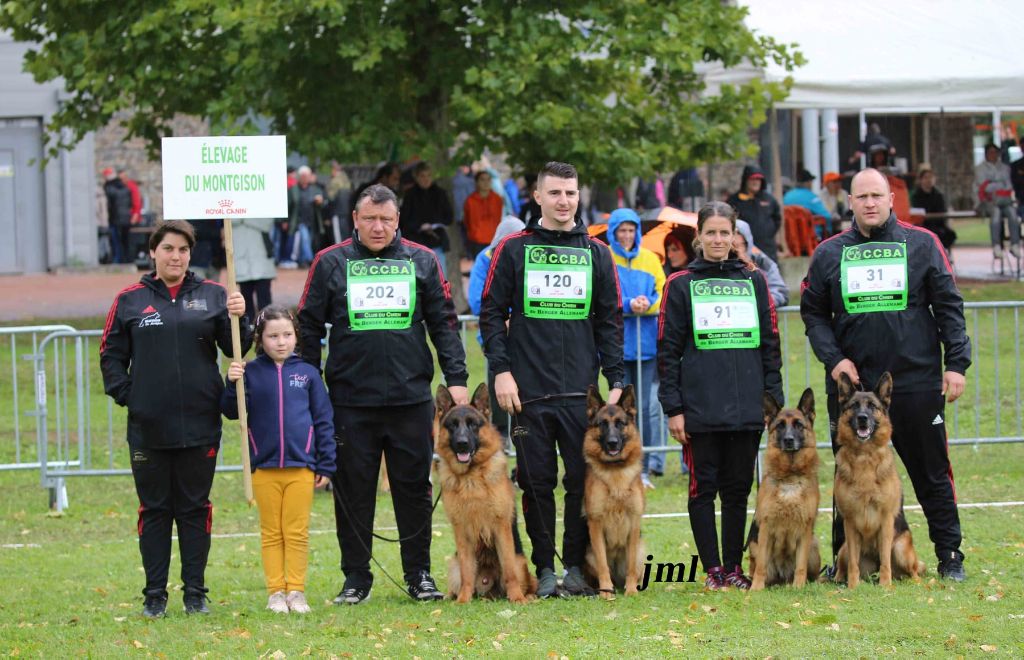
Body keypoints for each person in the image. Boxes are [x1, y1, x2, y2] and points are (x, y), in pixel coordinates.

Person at [297, 184, 468, 605]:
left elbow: (444, 324)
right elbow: (308, 328)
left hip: (410, 399)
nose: (378, 227)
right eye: (370, 219)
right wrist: (305, 383)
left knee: (413, 490)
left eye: (386, 220)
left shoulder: (422, 261)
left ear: (398, 221)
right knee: (353, 491)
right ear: (355, 218)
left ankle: (419, 574)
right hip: (350, 402)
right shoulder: (330, 262)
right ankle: (356, 578)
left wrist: (458, 377)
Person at [801, 167, 972, 582]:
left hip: (914, 380)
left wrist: (956, 364)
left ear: (892, 198)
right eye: (862, 197)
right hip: (852, 389)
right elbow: (813, 313)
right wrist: (834, 359)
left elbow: (949, 305)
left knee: (931, 471)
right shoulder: (829, 253)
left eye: (877, 195)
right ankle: (846, 564)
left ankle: (950, 556)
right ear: (851, 202)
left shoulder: (923, 243)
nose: (870, 203)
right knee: (849, 476)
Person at [480, 161, 624, 598]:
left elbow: (610, 320)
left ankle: (577, 568)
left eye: (571, 193)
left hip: (582, 397)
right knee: (536, 483)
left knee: (583, 482)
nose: (564, 201)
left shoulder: (597, 252)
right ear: (538, 197)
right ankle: (544, 569)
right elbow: (490, 314)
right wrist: (502, 373)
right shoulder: (514, 249)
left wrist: (615, 379)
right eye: (556, 193)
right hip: (527, 393)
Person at [99, 220, 250, 618]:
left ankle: (195, 594)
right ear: (153, 252)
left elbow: (237, 345)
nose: (176, 256)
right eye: (168, 248)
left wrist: (242, 316)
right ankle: (154, 596)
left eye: (183, 250)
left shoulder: (215, 295)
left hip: (201, 425)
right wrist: (132, 396)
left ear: (190, 254)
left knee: (194, 509)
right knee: (155, 510)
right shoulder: (130, 300)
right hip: (149, 428)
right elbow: (110, 357)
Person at [657, 201, 782, 590]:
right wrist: (674, 409)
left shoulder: (755, 280)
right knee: (703, 489)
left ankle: (733, 567)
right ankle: (712, 569)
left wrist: (772, 404)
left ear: (735, 237)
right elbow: (668, 350)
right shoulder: (679, 284)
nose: (717, 239)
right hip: (699, 408)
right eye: (710, 232)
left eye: (724, 233)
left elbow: (770, 345)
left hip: (747, 407)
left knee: (737, 490)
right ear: (698, 237)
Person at [222, 306, 336, 614]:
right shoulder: (250, 373)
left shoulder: (308, 374)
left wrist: (326, 463)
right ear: (260, 338)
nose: (281, 342)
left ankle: (296, 591)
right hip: (265, 467)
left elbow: (324, 420)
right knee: (272, 532)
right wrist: (232, 383)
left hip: (302, 467)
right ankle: (276, 592)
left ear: (297, 336)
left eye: (287, 335)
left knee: (297, 532)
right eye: (273, 336)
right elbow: (231, 411)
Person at [607, 208, 666, 488]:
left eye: (631, 230)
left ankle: (646, 464)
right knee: (617, 409)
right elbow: (603, 292)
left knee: (642, 407)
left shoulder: (650, 259)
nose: (627, 236)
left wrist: (648, 305)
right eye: (622, 230)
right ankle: (618, 458)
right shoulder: (605, 256)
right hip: (617, 346)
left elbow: (661, 290)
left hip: (645, 345)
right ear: (614, 232)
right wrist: (628, 304)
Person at [467, 215, 525, 439]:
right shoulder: (484, 259)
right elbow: (477, 300)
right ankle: (500, 438)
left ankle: (521, 441)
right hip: (495, 337)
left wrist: (516, 320)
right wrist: (505, 320)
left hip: (524, 338)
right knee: (499, 389)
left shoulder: (527, 256)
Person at [399, 162, 453, 272]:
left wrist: (434, 225)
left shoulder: (440, 193)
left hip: (436, 241)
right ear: (417, 178)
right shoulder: (410, 195)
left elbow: (449, 217)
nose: (426, 179)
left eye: (429, 175)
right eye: (422, 176)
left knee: (439, 278)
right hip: (416, 243)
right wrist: (420, 226)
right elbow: (404, 220)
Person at [727, 165, 782, 262]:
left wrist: (768, 233)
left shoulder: (769, 199)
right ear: (745, 180)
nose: (755, 182)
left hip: (767, 249)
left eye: (758, 179)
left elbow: (777, 219)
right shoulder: (734, 201)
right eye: (752, 179)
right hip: (744, 250)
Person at [974, 143, 1019, 259]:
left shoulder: (1004, 168)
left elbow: (1008, 186)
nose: (993, 155)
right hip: (988, 202)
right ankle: (996, 245)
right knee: (996, 215)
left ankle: (1015, 244)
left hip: (1004, 201)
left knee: (1013, 215)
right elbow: (984, 187)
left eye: (995, 152)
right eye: (991, 152)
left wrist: (993, 185)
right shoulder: (980, 169)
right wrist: (999, 185)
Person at [232, 217, 277, 324]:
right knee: (246, 301)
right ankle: (249, 330)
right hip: (242, 262)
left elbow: (266, 223)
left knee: (265, 302)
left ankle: (267, 325)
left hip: (262, 262)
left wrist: (243, 219)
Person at [734, 220, 789, 307]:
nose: (738, 251)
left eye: (741, 245)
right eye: (733, 245)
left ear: (748, 242)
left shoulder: (761, 260)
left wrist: (755, 304)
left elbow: (780, 292)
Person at [286, 166, 328, 267]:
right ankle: (310, 260)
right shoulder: (293, 190)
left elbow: (325, 203)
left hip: (312, 221)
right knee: (304, 239)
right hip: (299, 220)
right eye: (303, 176)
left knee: (307, 241)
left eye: (306, 176)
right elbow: (288, 205)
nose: (305, 178)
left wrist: (321, 202)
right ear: (299, 177)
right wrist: (285, 221)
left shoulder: (315, 189)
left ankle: (302, 261)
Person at [911, 163, 957, 253]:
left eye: (931, 177)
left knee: (949, 234)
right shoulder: (916, 196)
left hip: (938, 224)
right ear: (921, 180)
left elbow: (942, 211)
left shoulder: (938, 195)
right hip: (923, 225)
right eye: (926, 177)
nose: (929, 180)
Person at [463, 170, 504, 258]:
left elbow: (499, 219)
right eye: (482, 180)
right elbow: (467, 221)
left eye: (488, 180)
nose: (486, 182)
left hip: (494, 240)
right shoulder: (470, 201)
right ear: (476, 182)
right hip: (476, 242)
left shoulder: (497, 199)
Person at [783, 169, 833, 236]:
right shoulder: (811, 197)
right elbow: (827, 216)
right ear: (808, 182)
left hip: (791, 237)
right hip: (811, 238)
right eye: (811, 182)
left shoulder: (787, 196)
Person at [103, 167, 133, 264]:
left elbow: (109, 206)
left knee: (116, 241)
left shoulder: (109, 188)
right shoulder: (125, 187)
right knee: (126, 240)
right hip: (126, 217)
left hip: (115, 218)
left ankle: (118, 259)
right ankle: (127, 259)